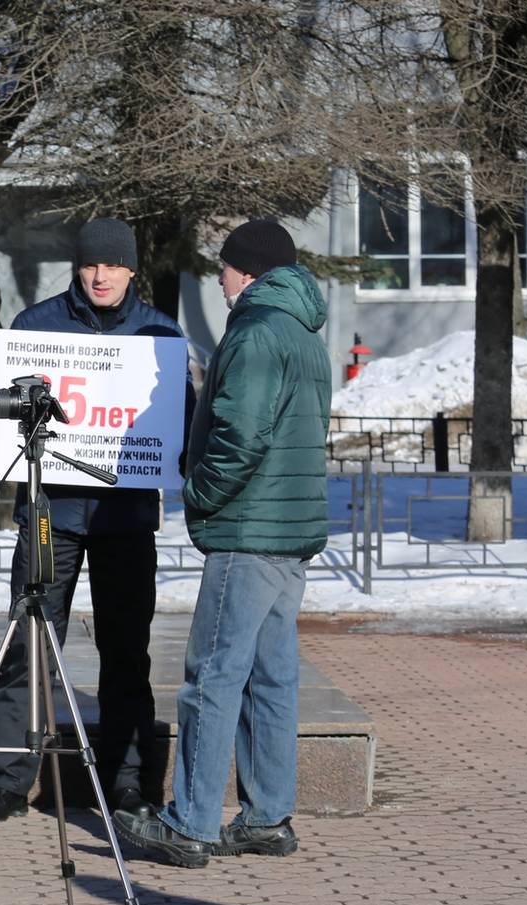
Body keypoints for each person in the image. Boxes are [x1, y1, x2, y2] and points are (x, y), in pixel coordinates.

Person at [115, 219, 332, 869]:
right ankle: (266, 817)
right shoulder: (301, 330)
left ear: (249, 271)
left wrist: (203, 493)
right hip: (289, 530)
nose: (219, 276)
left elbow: (241, 435)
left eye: (226, 266)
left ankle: (192, 821)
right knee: (272, 679)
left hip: (248, 529)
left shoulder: (258, 331)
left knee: (212, 675)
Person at [0, 218, 183, 824]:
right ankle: (8, 780)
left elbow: (176, 426)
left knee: (125, 650)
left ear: (133, 269)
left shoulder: (160, 332)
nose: (100, 275)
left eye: (112, 265)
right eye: (90, 264)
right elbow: (3, 418)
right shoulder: (37, 327)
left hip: (126, 513)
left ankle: (128, 781)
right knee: (29, 641)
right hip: (48, 511)